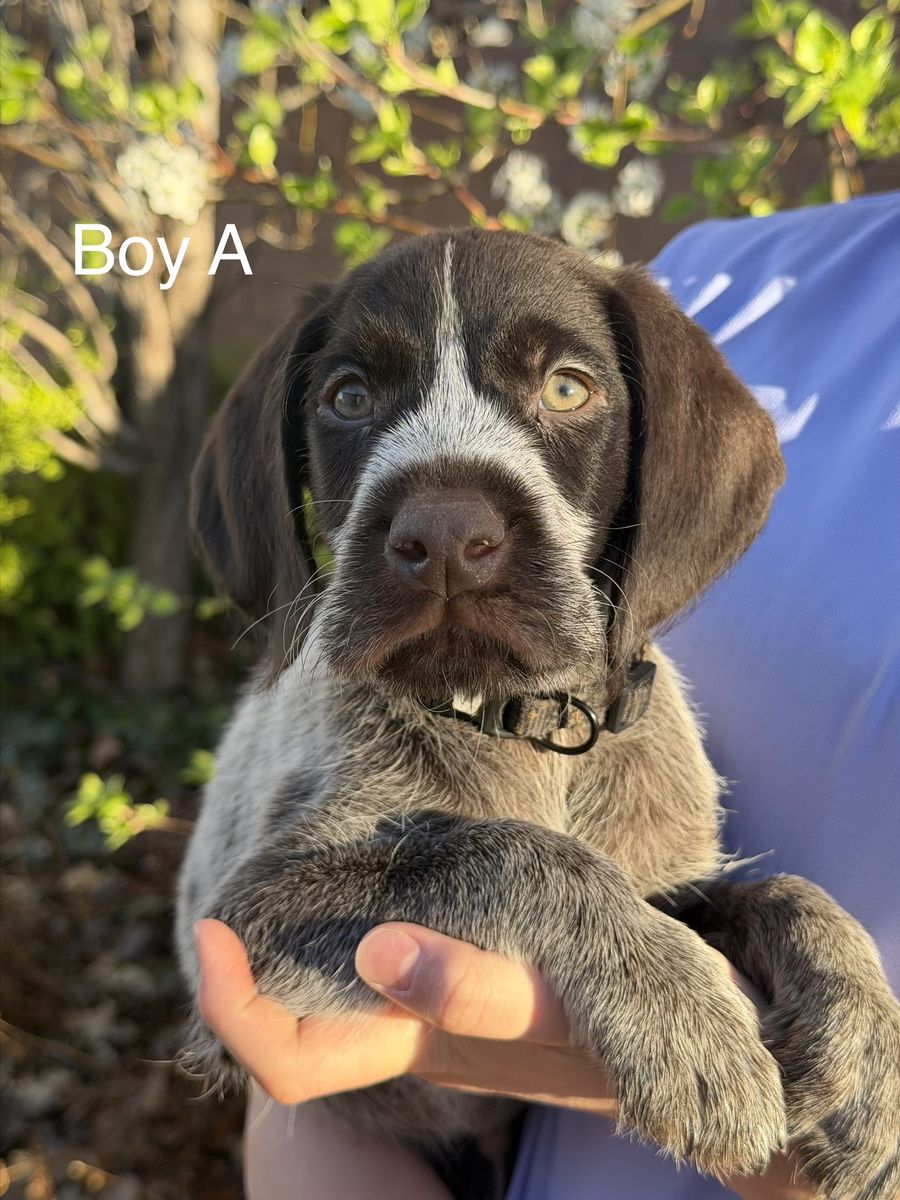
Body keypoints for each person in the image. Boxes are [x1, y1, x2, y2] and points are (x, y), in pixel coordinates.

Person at [194, 192, 900, 1199]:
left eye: (565, 388)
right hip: (371, 1152)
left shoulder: (659, 327)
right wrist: (547, 896)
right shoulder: (726, 270)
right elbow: (256, 943)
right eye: (350, 397)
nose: (443, 525)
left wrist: (797, 947)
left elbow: (672, 922)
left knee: (779, 910)